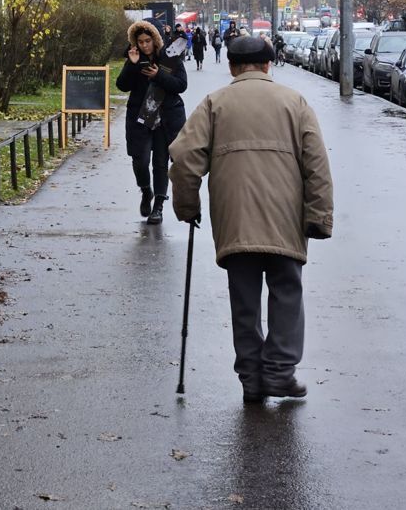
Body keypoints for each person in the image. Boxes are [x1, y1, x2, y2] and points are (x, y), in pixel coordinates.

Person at [169, 35, 333, 402]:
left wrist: (187, 207)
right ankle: (279, 371)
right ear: (268, 65)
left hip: (234, 217)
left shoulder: (215, 103)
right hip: (285, 216)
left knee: (243, 298)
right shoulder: (295, 102)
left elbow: (184, 161)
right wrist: (319, 216)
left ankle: (252, 378)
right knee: (286, 291)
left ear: (231, 66)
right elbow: (317, 165)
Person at [116, 22, 187, 225]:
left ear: (155, 40)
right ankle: (146, 190)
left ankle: (158, 207)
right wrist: (132, 64)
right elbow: (122, 85)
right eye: (140, 42)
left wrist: (159, 76)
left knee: (160, 163)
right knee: (140, 160)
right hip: (141, 119)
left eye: (148, 41)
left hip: (166, 119)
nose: (145, 45)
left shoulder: (170, 58)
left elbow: (181, 85)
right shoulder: (133, 57)